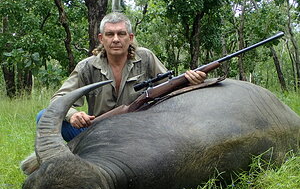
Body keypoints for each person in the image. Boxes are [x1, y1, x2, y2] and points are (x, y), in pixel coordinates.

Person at [37, 12, 206, 141]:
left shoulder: (146, 57)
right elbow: (58, 99)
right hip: (98, 133)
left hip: (138, 132)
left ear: (130, 38)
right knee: (44, 116)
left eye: (121, 34)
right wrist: (73, 115)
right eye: (110, 34)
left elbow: (170, 86)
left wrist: (191, 82)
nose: (116, 39)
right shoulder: (87, 66)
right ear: (101, 38)